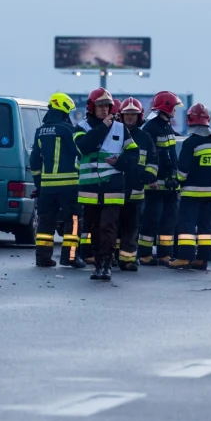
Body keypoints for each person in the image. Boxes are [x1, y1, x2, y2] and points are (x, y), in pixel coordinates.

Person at [76, 88, 138, 280]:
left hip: (113, 187)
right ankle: (97, 264)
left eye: (107, 106)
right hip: (90, 188)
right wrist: (103, 127)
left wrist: (119, 162)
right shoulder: (81, 127)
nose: (104, 110)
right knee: (94, 227)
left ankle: (106, 265)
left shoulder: (120, 128)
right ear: (92, 107)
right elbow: (84, 146)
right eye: (100, 106)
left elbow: (133, 153)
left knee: (108, 226)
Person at [29, 92, 87, 268]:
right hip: (69, 185)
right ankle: (69, 257)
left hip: (47, 187)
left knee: (45, 223)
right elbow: (80, 154)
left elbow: (34, 161)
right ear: (63, 110)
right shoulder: (68, 130)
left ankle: (43, 258)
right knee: (74, 221)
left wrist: (39, 185)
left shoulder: (40, 131)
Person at [168, 104, 211, 270]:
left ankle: (184, 258)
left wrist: (175, 181)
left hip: (191, 193)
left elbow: (183, 170)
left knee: (187, 225)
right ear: (208, 120)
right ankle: (203, 259)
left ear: (190, 121)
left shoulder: (190, 142)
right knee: (206, 227)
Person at [138, 91, 183, 266]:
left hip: (170, 184)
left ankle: (165, 254)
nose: (175, 111)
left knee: (169, 220)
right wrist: (151, 179)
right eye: (174, 108)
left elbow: (172, 152)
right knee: (151, 218)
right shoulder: (151, 128)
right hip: (155, 184)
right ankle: (144, 254)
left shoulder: (166, 126)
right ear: (166, 107)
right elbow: (149, 155)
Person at [116, 97, 157, 272]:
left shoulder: (145, 137)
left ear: (139, 116)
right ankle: (111, 257)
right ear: (121, 116)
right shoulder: (114, 133)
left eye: (133, 114)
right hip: (115, 189)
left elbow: (153, 160)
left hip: (136, 190)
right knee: (113, 226)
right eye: (127, 114)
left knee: (131, 227)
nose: (130, 118)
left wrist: (147, 175)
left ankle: (128, 260)